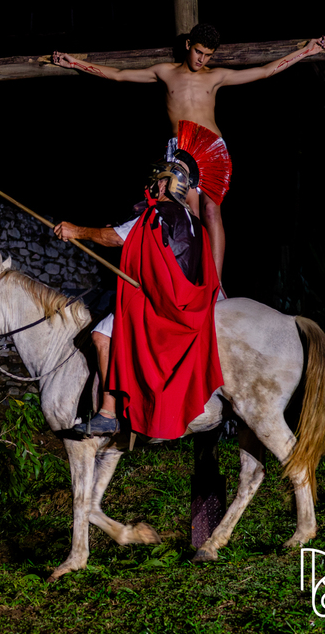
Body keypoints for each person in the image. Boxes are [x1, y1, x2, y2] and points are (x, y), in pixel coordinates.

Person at [52, 24, 325, 282]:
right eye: (198, 52)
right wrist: (74, 61)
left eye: (208, 55)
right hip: (183, 148)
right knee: (189, 213)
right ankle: (194, 276)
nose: (201, 60)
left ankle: (216, 285)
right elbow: (119, 75)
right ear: (188, 45)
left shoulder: (216, 76)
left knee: (212, 211)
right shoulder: (165, 72)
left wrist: (307, 50)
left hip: (213, 147)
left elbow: (265, 71)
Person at [54, 159, 222, 438]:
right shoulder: (195, 224)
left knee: (100, 335)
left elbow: (117, 238)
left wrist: (77, 231)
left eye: (159, 181)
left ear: (169, 184)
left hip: (163, 307)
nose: (153, 186)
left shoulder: (158, 215)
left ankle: (107, 412)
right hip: (190, 305)